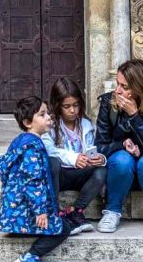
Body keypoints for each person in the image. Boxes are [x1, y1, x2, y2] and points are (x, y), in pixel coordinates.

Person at [94, 59, 143, 236]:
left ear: (140, 87)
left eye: (125, 86)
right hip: (119, 173)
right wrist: (122, 145)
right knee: (123, 158)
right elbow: (100, 146)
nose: (118, 90)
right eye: (117, 84)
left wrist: (134, 115)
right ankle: (113, 210)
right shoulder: (109, 102)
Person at [0, 95, 72, 262]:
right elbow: (33, 181)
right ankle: (30, 257)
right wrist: (40, 211)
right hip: (27, 209)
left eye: (48, 114)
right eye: (42, 114)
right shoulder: (32, 147)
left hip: (14, 211)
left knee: (62, 223)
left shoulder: (20, 142)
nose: (48, 118)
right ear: (28, 122)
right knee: (63, 228)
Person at [43, 77, 107, 234]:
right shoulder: (49, 125)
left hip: (80, 174)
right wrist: (74, 158)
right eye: (67, 106)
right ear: (58, 106)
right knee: (52, 163)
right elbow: (49, 150)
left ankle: (76, 211)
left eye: (76, 105)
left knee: (102, 171)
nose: (73, 110)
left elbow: (92, 147)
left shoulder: (85, 124)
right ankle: (55, 211)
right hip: (60, 175)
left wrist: (98, 158)